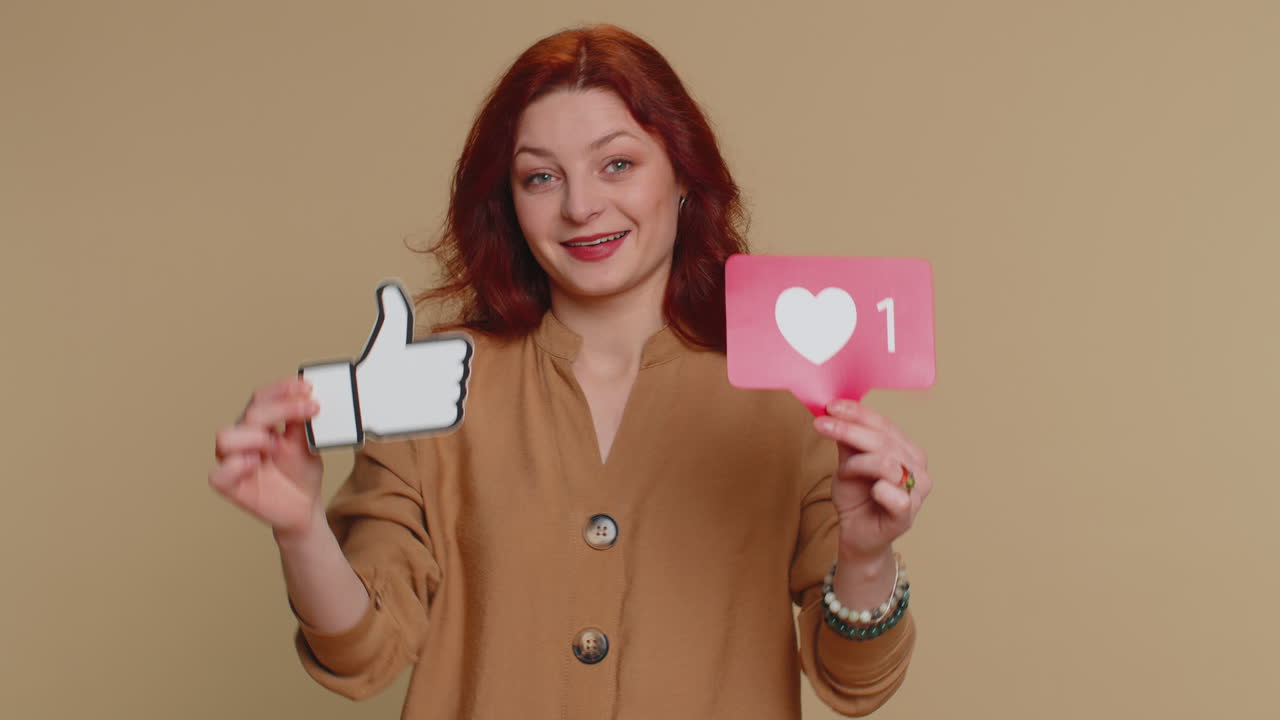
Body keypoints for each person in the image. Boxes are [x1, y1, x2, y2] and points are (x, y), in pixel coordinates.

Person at [209, 23, 931, 719]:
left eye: (617, 163)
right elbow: (361, 652)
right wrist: (301, 529)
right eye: (540, 177)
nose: (581, 206)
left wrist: (868, 556)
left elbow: (853, 679)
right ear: (509, 202)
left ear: (683, 171)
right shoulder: (431, 388)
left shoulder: (785, 392)